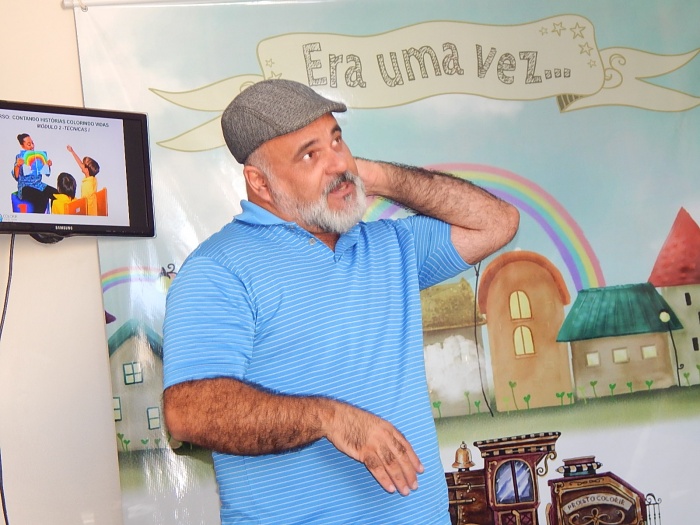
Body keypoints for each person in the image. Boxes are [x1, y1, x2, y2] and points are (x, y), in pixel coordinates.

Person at [162, 79, 519, 525]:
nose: (337, 163)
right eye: (309, 155)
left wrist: (377, 176)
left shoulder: (390, 245)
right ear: (260, 182)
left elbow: (497, 222)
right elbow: (188, 411)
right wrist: (327, 418)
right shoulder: (217, 269)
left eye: (337, 140)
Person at [12, 133, 57, 213]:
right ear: (22, 146)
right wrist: (18, 165)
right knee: (42, 198)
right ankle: (38, 220)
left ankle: (55, 216)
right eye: (29, 144)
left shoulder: (39, 156)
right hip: (26, 187)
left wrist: (47, 165)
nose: (32, 146)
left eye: (32, 143)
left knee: (57, 195)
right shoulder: (19, 157)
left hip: (39, 185)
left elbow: (47, 173)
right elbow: (16, 177)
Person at [66, 144, 100, 215]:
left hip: (88, 214)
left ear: (87, 170)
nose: (81, 165)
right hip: (93, 211)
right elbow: (80, 164)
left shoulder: (87, 185)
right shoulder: (93, 178)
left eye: (83, 165)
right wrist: (72, 151)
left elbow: (83, 204)